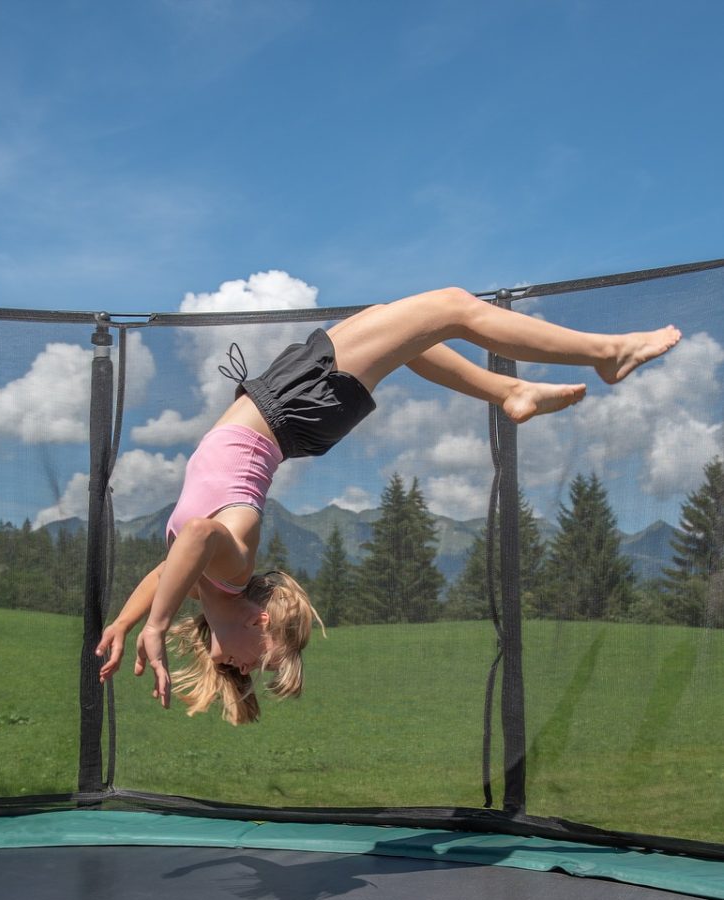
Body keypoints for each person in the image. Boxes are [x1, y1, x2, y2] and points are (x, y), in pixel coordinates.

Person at [96, 286, 681, 722]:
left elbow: (173, 560)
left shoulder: (208, 583)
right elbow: (195, 536)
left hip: (290, 408)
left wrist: (130, 622)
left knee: (397, 326)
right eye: (269, 663)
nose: (251, 669)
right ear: (262, 618)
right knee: (450, 306)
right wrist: (158, 623)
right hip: (294, 409)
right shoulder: (233, 570)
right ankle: (607, 353)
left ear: (262, 620)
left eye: (261, 666)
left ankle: (512, 390)